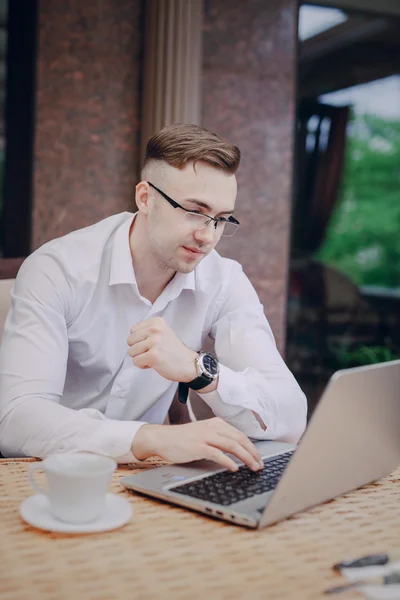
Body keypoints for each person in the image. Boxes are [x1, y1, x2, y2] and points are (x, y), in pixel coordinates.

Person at [0, 124, 306, 472]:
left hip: (146, 478)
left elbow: (290, 419)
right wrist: (151, 439)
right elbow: (16, 420)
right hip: (46, 475)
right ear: (145, 198)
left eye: (221, 220)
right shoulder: (57, 270)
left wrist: (199, 370)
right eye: (194, 210)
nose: (207, 236)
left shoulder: (224, 280)